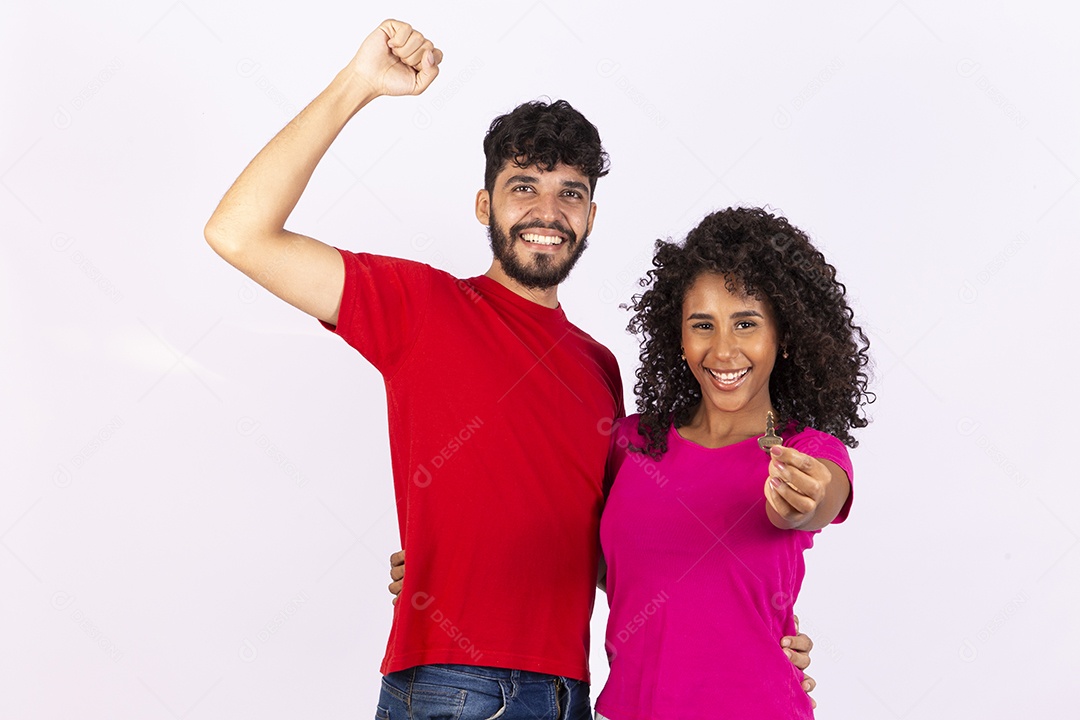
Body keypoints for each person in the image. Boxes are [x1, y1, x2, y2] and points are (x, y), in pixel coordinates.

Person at [206, 18, 813, 719]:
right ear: (484, 205)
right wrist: (358, 86)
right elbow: (238, 232)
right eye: (524, 186)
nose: (547, 211)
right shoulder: (421, 306)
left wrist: (748, 637)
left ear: (590, 217)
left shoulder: (598, 367)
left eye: (570, 192)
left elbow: (619, 553)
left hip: (567, 694)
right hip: (454, 686)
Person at [593, 207, 871, 719]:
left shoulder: (808, 451)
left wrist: (799, 502)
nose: (723, 350)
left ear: (783, 337)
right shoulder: (631, 442)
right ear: (678, 336)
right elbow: (599, 562)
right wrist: (450, 568)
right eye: (703, 325)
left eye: (746, 323)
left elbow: (815, 501)